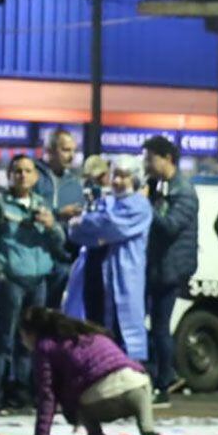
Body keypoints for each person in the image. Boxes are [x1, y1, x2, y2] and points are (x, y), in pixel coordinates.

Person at [0, 154, 67, 411]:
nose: (23, 176)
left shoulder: (41, 206)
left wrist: (52, 227)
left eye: (28, 171)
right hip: (11, 280)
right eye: (18, 171)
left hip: (37, 281)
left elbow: (60, 246)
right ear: (10, 175)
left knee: (31, 342)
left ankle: (22, 391)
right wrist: (0, 273)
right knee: (3, 338)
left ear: (36, 177)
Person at [16, 307, 174, 435]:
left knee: (77, 396)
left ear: (31, 334)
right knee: (137, 382)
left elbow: (47, 394)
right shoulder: (90, 333)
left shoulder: (45, 347)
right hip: (137, 388)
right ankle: (149, 434)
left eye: (22, 336)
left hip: (100, 401)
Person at [64, 154, 151, 361]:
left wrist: (86, 224)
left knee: (123, 336)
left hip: (123, 280)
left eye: (124, 176)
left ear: (135, 179)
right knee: (94, 333)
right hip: (95, 278)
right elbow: (76, 233)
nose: (118, 181)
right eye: (115, 175)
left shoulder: (140, 206)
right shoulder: (104, 202)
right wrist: (90, 227)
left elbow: (109, 226)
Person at [143, 135, 198, 401]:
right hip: (157, 267)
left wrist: (146, 204)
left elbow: (170, 226)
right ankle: (158, 376)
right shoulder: (160, 186)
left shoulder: (183, 191)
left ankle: (165, 381)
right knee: (153, 326)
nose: (146, 164)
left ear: (168, 159)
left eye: (150, 158)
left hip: (171, 269)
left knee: (161, 327)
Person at [34, 130, 84, 308]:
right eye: (66, 150)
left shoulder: (74, 184)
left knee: (52, 315)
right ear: (49, 150)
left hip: (62, 261)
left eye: (73, 150)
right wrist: (57, 214)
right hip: (34, 259)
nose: (71, 156)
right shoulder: (32, 176)